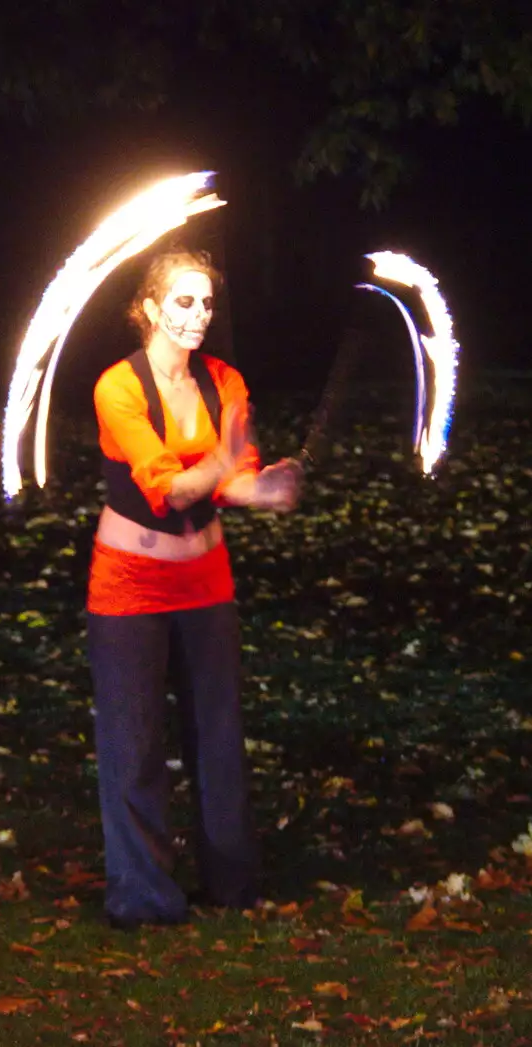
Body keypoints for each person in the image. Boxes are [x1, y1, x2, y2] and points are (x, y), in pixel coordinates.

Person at [87, 249, 302, 929]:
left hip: (207, 579)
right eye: (182, 302)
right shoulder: (116, 388)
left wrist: (263, 490)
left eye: (206, 303)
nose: (196, 316)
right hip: (129, 584)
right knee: (135, 738)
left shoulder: (224, 380)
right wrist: (224, 462)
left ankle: (232, 884)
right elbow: (167, 488)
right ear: (149, 308)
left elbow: (235, 478)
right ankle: (144, 895)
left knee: (218, 733)